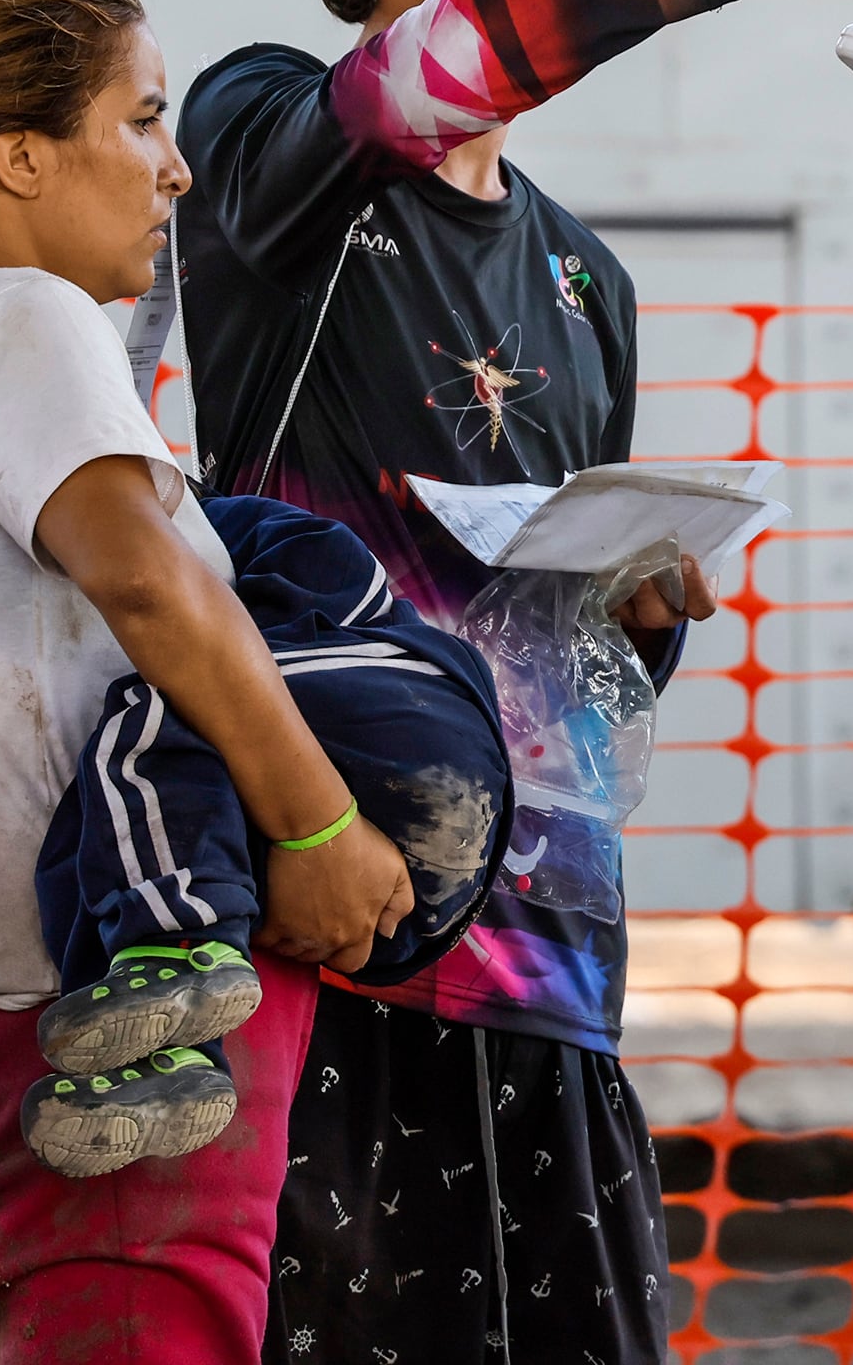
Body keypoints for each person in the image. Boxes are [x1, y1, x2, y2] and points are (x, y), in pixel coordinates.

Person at [171, 0, 853, 1363]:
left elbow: (578, 683)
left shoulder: (589, 277)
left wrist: (636, 621)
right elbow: (406, 92)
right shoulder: (266, 138)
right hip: (328, 942)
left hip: (550, 968)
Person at [0, 0, 421, 1358]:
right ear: (16, 157)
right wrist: (319, 827)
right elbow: (147, 583)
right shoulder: (23, 315)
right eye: (140, 119)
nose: (175, 169)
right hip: (113, 1020)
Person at [27, 489, 509, 1177]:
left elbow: (199, 603)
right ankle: (176, 1065)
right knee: (122, 843)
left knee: (156, 713)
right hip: (424, 898)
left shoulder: (193, 518)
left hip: (414, 722)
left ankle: (178, 950)